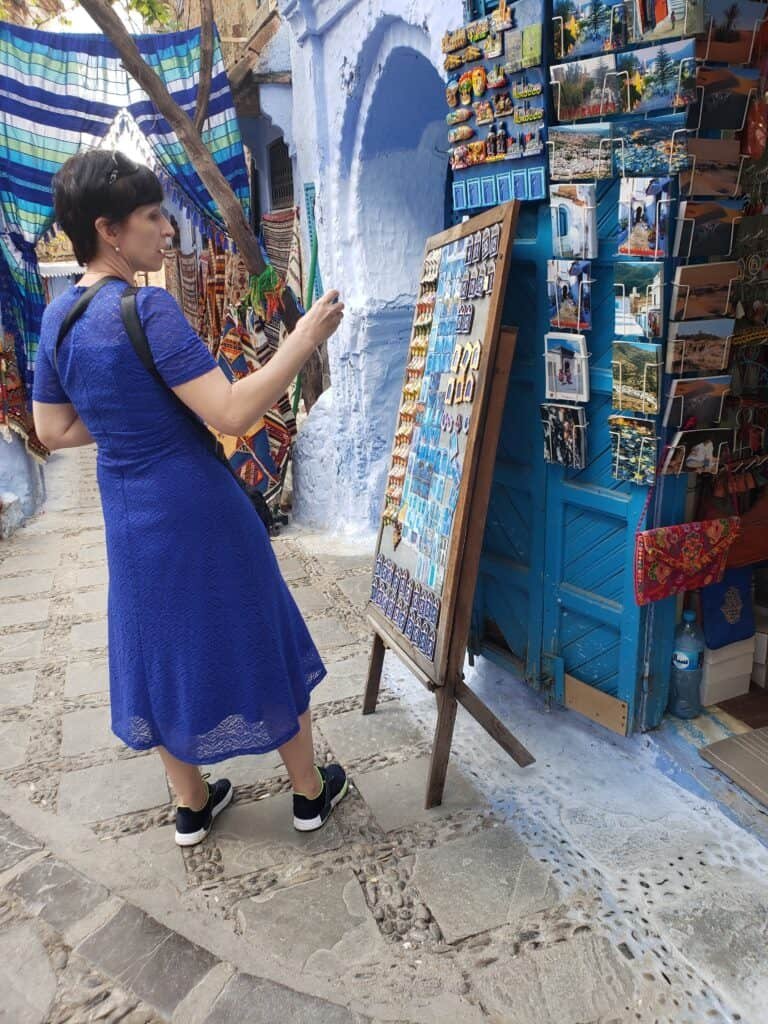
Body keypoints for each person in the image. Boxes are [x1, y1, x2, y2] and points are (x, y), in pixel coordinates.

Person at [33, 149, 348, 847]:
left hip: (128, 511)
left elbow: (51, 429)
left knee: (154, 646)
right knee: (255, 628)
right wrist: (301, 340)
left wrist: (128, 422)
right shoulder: (148, 308)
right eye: (151, 217)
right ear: (110, 230)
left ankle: (192, 803)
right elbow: (232, 413)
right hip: (197, 502)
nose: (165, 229)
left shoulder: (57, 322)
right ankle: (305, 793)